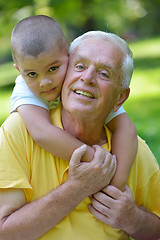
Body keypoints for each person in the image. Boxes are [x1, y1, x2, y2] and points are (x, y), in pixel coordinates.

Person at [0, 30, 160, 240]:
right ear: (65, 71)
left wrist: (133, 219)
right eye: (80, 66)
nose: (87, 78)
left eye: (104, 73)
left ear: (120, 97)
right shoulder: (19, 131)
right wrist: (77, 188)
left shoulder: (132, 150)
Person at [10, 15, 137, 191]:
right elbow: (42, 132)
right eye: (32, 74)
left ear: (68, 54)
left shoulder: (80, 78)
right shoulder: (25, 89)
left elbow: (127, 129)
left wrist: (115, 184)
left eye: (53, 69)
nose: (45, 82)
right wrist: (94, 159)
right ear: (19, 70)